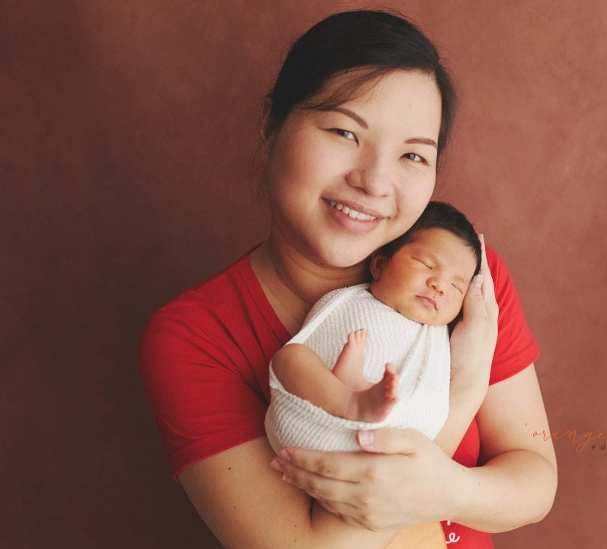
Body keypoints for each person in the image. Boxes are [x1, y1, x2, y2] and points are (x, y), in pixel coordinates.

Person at [139, 9, 557, 548]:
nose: (375, 181)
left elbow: (534, 479)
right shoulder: (194, 338)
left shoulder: (455, 275)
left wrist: (446, 487)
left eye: (412, 154)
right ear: (272, 127)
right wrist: (465, 390)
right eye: (344, 132)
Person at [266, 202, 481, 454]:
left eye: (457, 286)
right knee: (290, 356)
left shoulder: (437, 340)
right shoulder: (350, 301)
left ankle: (357, 393)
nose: (440, 285)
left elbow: (433, 405)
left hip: (388, 444)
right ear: (379, 265)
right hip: (309, 419)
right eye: (426, 264)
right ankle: (350, 397)